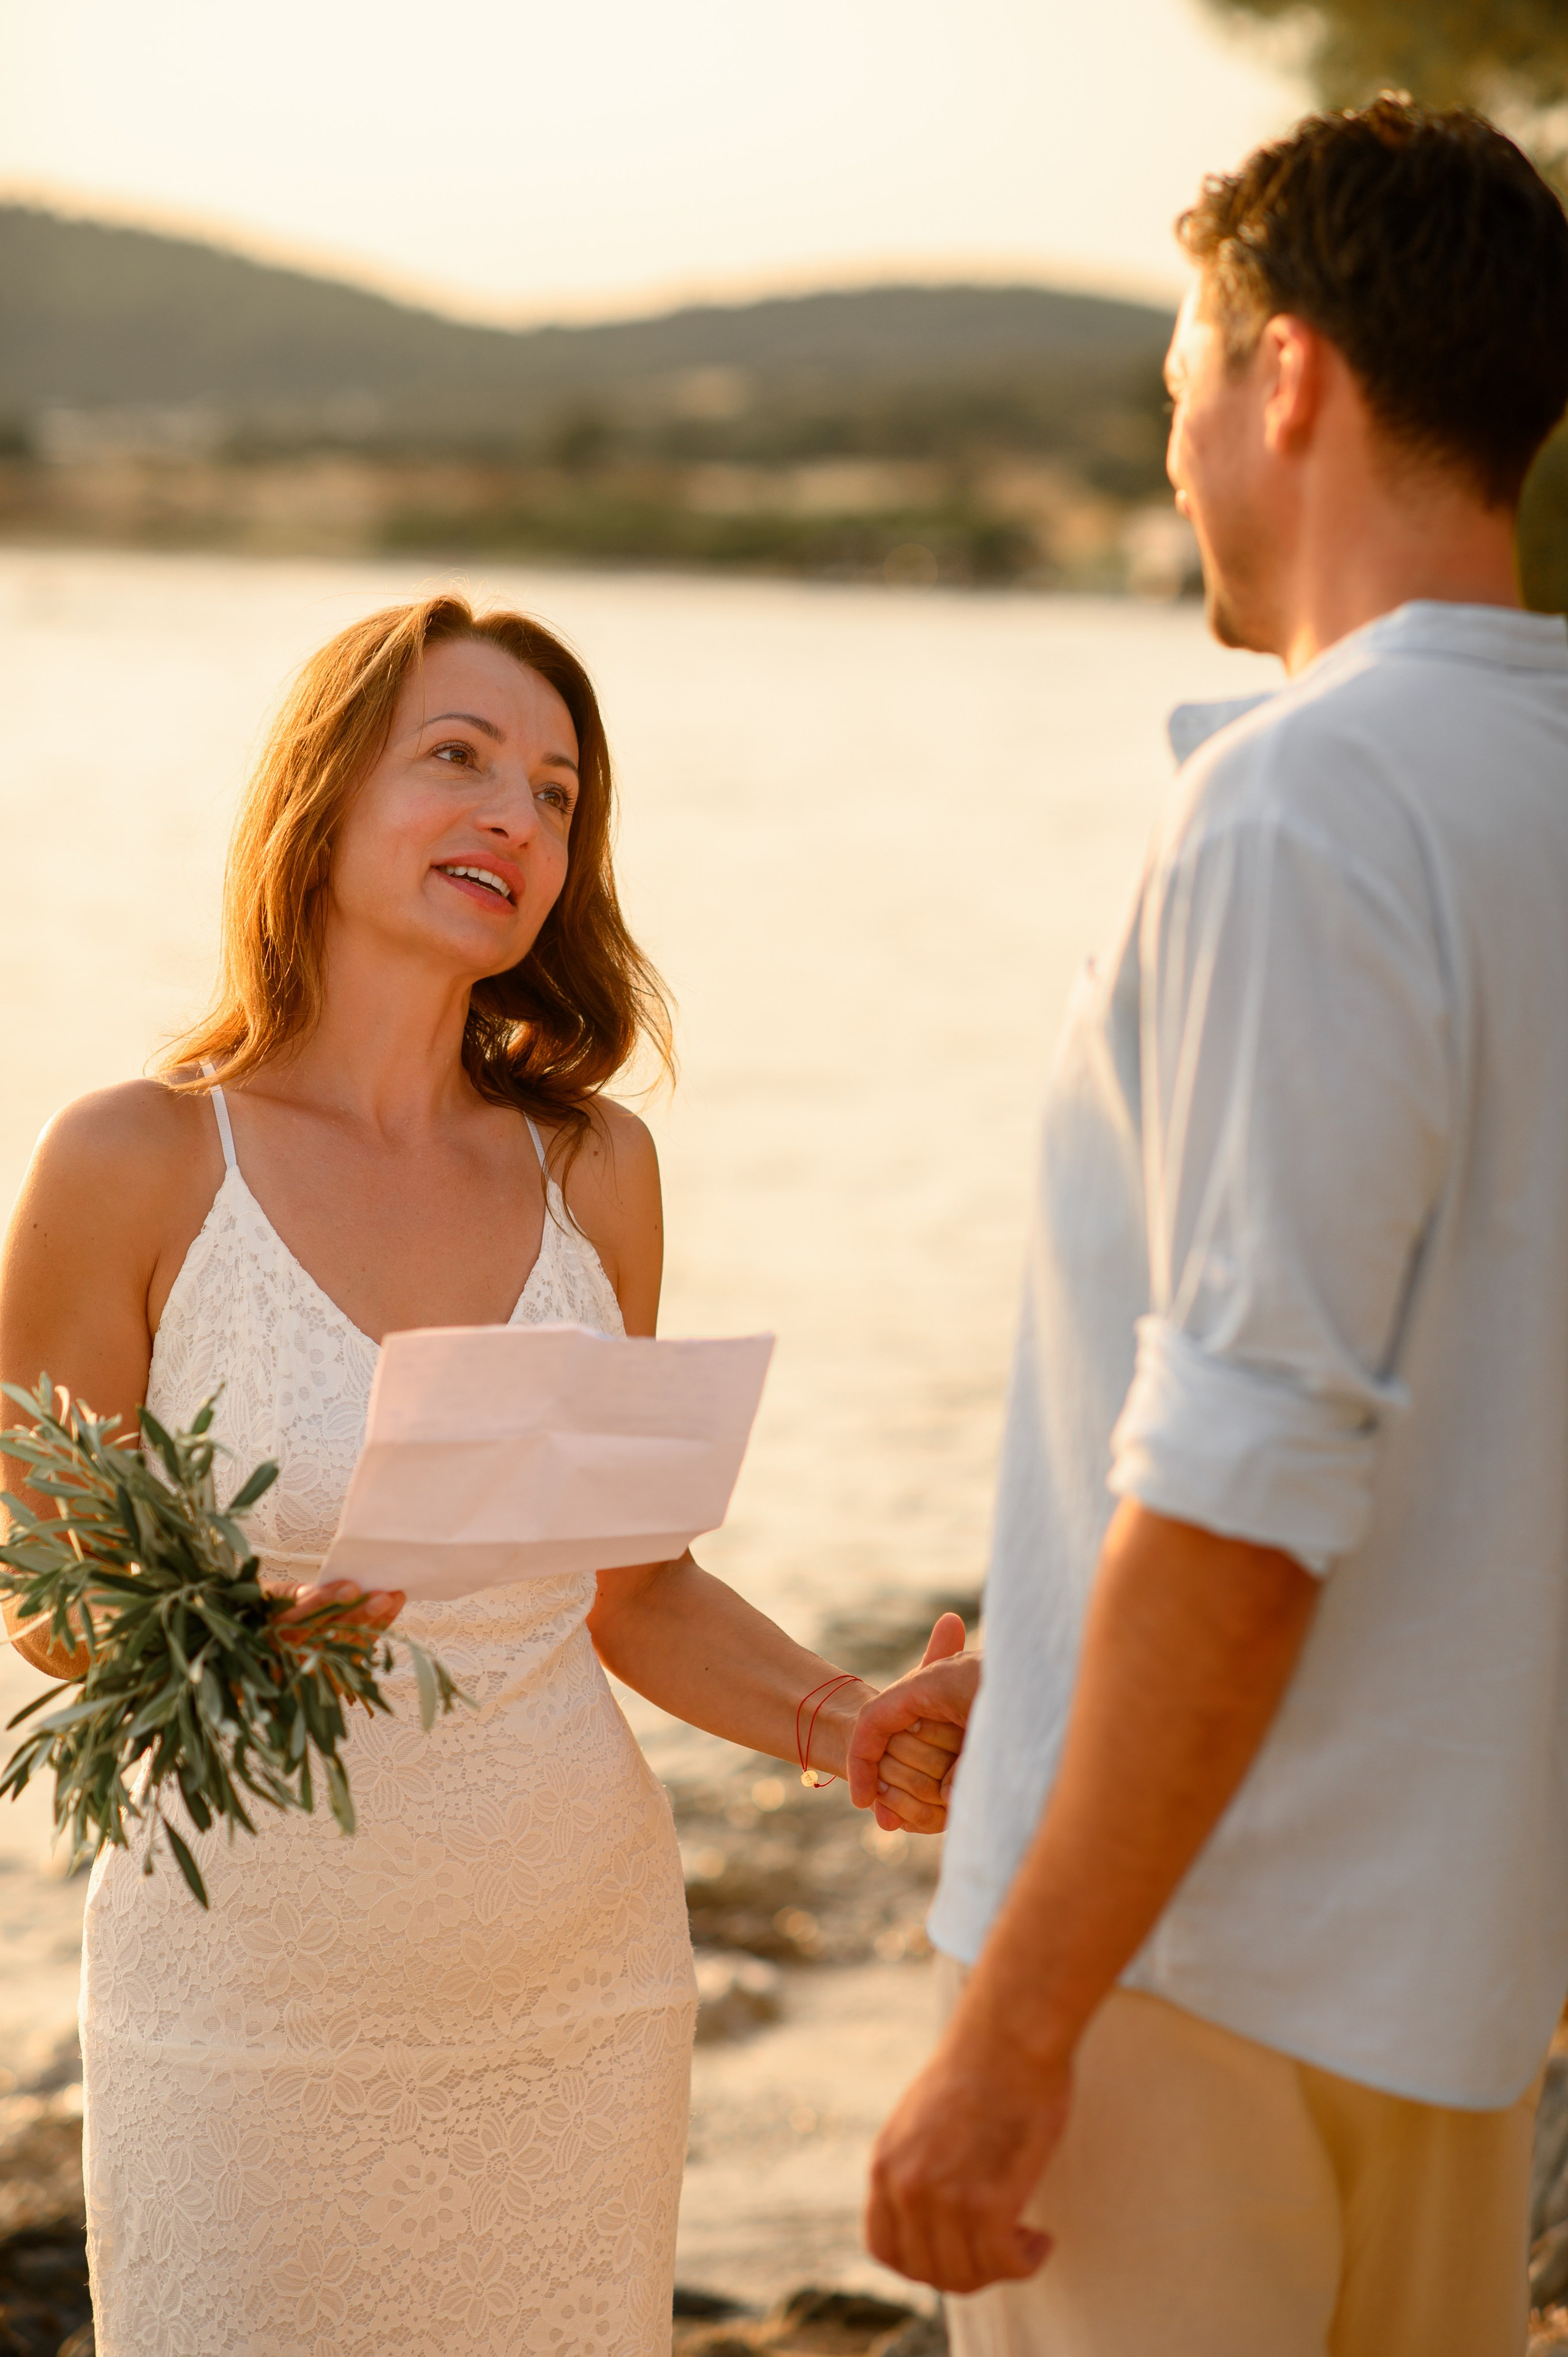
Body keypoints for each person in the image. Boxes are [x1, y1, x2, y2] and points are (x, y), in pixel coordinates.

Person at [0, 594, 961, 2357]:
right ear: (322, 795)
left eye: (558, 791)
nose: (518, 817)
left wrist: (846, 1721)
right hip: (246, 2003)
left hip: (574, 1990)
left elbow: (638, 1588)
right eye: (458, 759)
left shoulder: (595, 1171)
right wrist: (221, 1624)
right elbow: (39, 1586)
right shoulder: (132, 1161)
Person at [850, 96, 1568, 2356]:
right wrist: (1053, 1641)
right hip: (1459, 1998)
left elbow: (1252, 1481)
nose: (1173, 460)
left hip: (1192, 1985)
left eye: (1179, 389)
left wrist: (1010, 2036)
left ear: (1289, 380)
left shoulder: (1303, 802)